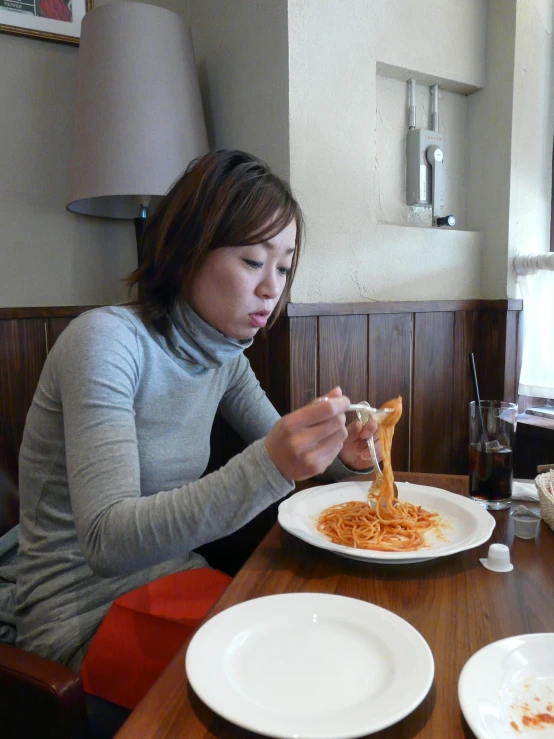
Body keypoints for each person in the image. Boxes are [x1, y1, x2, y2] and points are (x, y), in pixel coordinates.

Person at [15, 149, 378, 720]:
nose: (271, 290)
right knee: (284, 697)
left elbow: (296, 467)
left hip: (177, 581)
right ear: (187, 252)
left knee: (323, 655)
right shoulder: (107, 343)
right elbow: (107, 541)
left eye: (283, 267)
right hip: (77, 613)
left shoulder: (224, 358)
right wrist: (271, 465)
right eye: (253, 261)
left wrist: (349, 459)